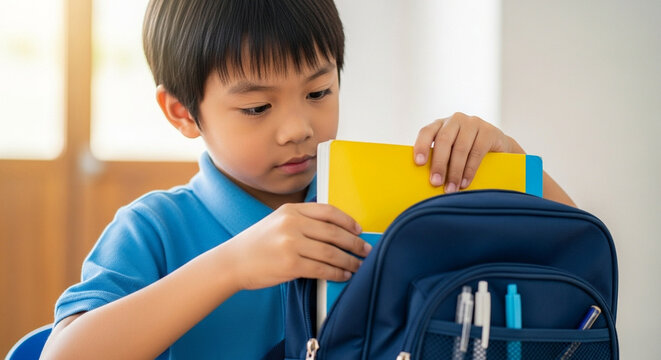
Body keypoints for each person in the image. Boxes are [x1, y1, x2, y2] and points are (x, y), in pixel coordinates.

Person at [42, 0, 575, 359]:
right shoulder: (154, 228)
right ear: (182, 111)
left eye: (319, 93)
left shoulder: (384, 200)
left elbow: (576, 264)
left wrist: (515, 167)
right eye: (257, 107)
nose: (298, 129)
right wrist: (233, 264)